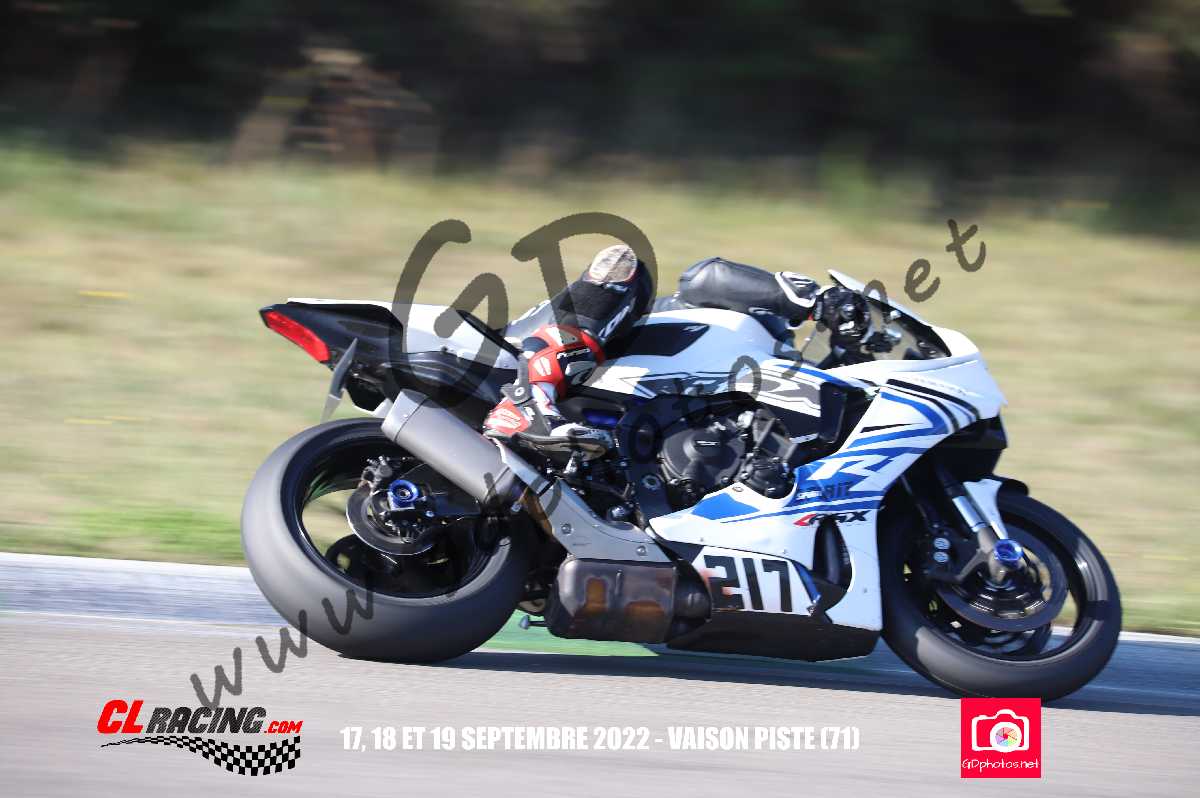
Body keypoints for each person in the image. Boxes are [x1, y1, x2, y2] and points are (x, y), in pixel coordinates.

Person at [483, 244, 865, 455]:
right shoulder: (746, 325)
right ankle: (525, 403)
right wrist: (819, 301)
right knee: (624, 265)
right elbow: (705, 275)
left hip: (592, 406)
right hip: (507, 357)